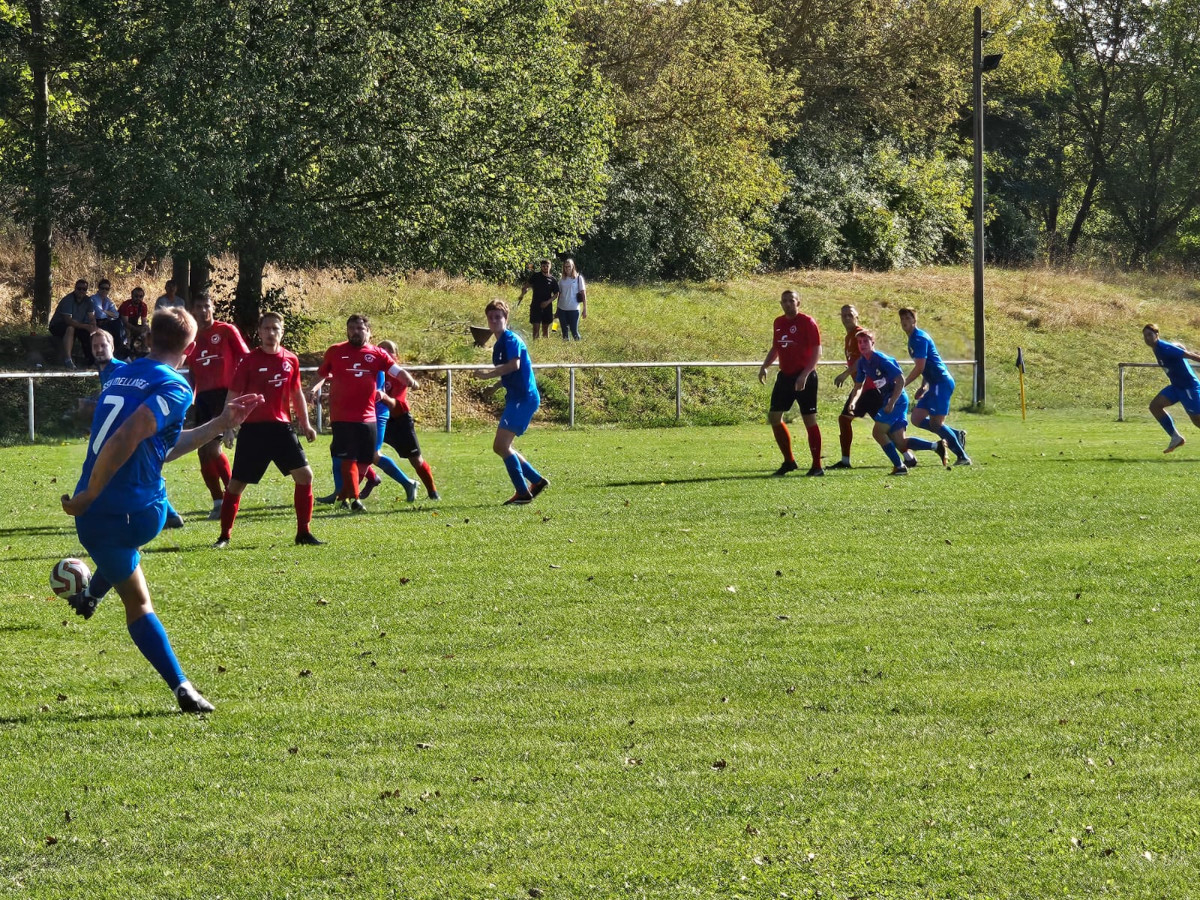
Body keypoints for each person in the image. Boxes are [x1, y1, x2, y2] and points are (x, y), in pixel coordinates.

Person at [60, 306, 264, 713]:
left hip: (98, 522)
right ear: (190, 348)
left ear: (148, 338)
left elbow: (146, 443)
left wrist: (221, 423)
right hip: (145, 512)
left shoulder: (119, 374)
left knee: (134, 596)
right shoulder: (175, 386)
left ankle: (179, 683)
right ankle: (95, 597)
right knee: (133, 582)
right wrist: (89, 495)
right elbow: (135, 439)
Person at [215, 312, 321, 547]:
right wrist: (229, 427)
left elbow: (296, 394)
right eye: (267, 329)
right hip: (253, 431)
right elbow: (233, 396)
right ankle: (224, 536)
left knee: (305, 476)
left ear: (281, 332)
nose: (271, 333)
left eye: (275, 329)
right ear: (260, 332)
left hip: (282, 429)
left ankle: (303, 533)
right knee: (236, 484)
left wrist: (306, 424)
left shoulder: (290, 360)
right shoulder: (249, 361)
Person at [308, 315, 418, 510]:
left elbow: (396, 370)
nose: (355, 331)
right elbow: (321, 374)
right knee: (347, 457)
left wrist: (409, 379)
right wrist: (312, 389)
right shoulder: (336, 351)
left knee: (367, 459)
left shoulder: (377, 354)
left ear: (369, 332)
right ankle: (353, 499)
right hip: (342, 416)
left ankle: (344, 496)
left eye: (360, 328)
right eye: (351, 328)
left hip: (369, 416)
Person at [93, 328, 185, 527]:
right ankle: (169, 515)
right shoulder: (105, 370)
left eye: (103, 345)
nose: (99, 350)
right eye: (95, 346)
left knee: (130, 470)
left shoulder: (119, 370)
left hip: (133, 430)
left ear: (113, 346)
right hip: (120, 431)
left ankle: (160, 514)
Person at [473, 299, 548, 504]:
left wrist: (488, 375)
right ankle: (536, 481)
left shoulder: (510, 340)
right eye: (491, 317)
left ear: (506, 318)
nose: (494, 320)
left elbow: (514, 365)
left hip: (523, 398)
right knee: (503, 446)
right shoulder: (499, 343)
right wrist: (495, 387)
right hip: (517, 398)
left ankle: (523, 493)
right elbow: (509, 372)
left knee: (501, 446)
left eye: (498, 317)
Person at [184, 292, 250, 519]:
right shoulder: (191, 338)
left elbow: (246, 358)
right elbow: (192, 372)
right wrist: (187, 399)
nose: (203, 311)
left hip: (225, 395)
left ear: (213, 308)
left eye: (207, 306)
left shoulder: (226, 331)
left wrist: (241, 391)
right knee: (202, 453)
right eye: (198, 307)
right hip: (203, 399)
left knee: (213, 449)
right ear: (192, 311)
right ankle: (217, 501)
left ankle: (232, 499)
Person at [846, 330, 945, 475]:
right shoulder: (862, 363)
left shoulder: (882, 359)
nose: (862, 345)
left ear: (872, 343)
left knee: (878, 433)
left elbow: (900, 380)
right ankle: (936, 446)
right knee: (900, 441)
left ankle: (899, 467)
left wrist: (892, 402)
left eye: (865, 341)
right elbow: (858, 386)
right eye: (859, 342)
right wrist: (853, 401)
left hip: (897, 400)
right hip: (891, 400)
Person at [757, 289, 824, 477]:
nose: (788, 303)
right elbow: (776, 347)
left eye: (791, 300)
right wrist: (765, 366)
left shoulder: (807, 322)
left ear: (798, 303)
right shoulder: (778, 322)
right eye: (785, 301)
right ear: (781, 304)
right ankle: (789, 461)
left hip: (805, 377)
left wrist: (805, 374)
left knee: (809, 419)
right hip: (785, 377)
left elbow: (817, 351)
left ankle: (817, 466)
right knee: (774, 417)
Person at [899, 308, 970, 466]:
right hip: (934, 384)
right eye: (902, 318)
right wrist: (924, 386)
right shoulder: (913, 339)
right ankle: (956, 434)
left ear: (914, 320)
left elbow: (919, 367)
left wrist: (902, 385)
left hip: (941, 383)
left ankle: (963, 457)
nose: (905, 321)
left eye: (908, 318)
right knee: (916, 418)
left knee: (936, 424)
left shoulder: (919, 338)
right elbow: (925, 366)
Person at [376, 339, 440, 500]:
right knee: (365, 454)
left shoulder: (398, 376)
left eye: (388, 349)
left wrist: (382, 397)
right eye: (380, 348)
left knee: (416, 459)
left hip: (399, 422)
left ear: (396, 356)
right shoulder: (372, 373)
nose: (383, 351)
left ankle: (432, 492)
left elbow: (395, 404)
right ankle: (354, 494)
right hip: (377, 420)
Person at [830, 304, 879, 469]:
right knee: (884, 427)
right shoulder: (849, 336)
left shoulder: (860, 335)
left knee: (886, 429)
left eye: (849, 314)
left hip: (870, 388)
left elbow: (864, 359)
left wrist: (845, 373)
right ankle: (845, 461)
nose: (846, 317)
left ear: (857, 315)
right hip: (863, 388)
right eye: (843, 315)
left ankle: (916, 454)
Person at [1143, 323, 1200, 453]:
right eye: (1145, 336)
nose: (1147, 338)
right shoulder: (1156, 348)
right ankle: (1176, 437)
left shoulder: (1165, 348)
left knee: (1197, 420)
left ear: (1157, 335)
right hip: (1176, 387)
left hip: (1188, 387)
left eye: (1150, 335)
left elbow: (1190, 355)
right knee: (1155, 406)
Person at [49, 279, 97, 368]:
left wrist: (93, 327)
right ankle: (68, 359)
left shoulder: (88, 301)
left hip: (77, 325)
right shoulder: (68, 300)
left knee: (90, 332)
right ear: (75, 288)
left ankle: (92, 361)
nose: (81, 291)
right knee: (70, 328)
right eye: (79, 289)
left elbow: (92, 317)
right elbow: (68, 321)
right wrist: (86, 326)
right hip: (58, 325)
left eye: (84, 289)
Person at [518, 259, 558, 340]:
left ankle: (544, 348)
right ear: (541, 267)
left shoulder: (553, 280)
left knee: (545, 330)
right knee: (535, 329)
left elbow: (556, 294)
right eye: (543, 266)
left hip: (547, 307)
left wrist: (547, 302)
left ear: (550, 266)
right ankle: (536, 344)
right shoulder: (536, 276)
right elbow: (526, 286)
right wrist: (523, 292)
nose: (545, 268)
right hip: (535, 306)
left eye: (547, 266)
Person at [90, 278, 125, 358]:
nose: (104, 290)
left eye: (107, 289)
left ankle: (119, 353)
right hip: (95, 322)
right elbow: (99, 314)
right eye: (102, 288)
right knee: (109, 326)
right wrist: (108, 313)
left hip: (106, 321)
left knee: (118, 323)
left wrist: (104, 311)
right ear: (98, 288)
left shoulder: (108, 301)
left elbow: (116, 314)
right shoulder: (93, 299)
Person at [556, 258, 587, 341]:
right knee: (564, 331)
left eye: (569, 266)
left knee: (574, 331)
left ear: (573, 267)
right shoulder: (561, 280)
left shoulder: (578, 278)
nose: (567, 269)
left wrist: (585, 309)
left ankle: (580, 347)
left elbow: (583, 294)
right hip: (562, 308)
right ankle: (565, 350)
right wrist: (557, 310)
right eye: (565, 267)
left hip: (574, 308)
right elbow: (559, 295)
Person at [118, 286, 150, 357]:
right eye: (136, 296)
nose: (138, 298)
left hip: (134, 324)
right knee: (128, 331)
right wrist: (137, 329)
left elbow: (144, 321)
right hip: (121, 325)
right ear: (132, 295)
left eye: (140, 296)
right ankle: (127, 350)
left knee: (146, 330)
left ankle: (144, 351)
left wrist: (145, 328)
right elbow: (125, 322)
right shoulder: (126, 305)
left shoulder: (143, 306)